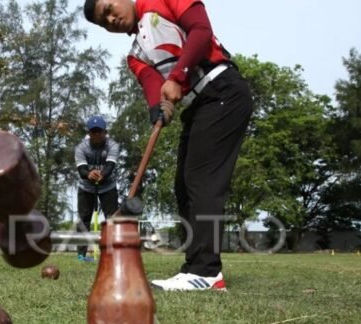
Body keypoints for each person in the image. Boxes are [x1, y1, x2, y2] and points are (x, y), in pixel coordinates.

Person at [84, 0, 252, 290]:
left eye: (110, 8)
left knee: (201, 180)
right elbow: (152, 87)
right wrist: (157, 109)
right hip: (198, 106)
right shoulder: (135, 55)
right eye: (104, 21)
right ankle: (195, 268)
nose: (111, 19)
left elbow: (201, 30)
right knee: (184, 186)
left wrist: (177, 76)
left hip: (222, 90)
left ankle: (206, 272)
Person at [74, 115, 120, 262]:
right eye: (93, 132)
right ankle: (81, 255)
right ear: (89, 133)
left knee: (112, 219)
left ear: (105, 132)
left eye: (99, 131)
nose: (97, 135)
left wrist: (102, 175)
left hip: (108, 187)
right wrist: (89, 174)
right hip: (86, 187)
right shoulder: (81, 148)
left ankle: (110, 253)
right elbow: (81, 171)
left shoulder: (112, 146)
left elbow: (110, 166)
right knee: (84, 220)